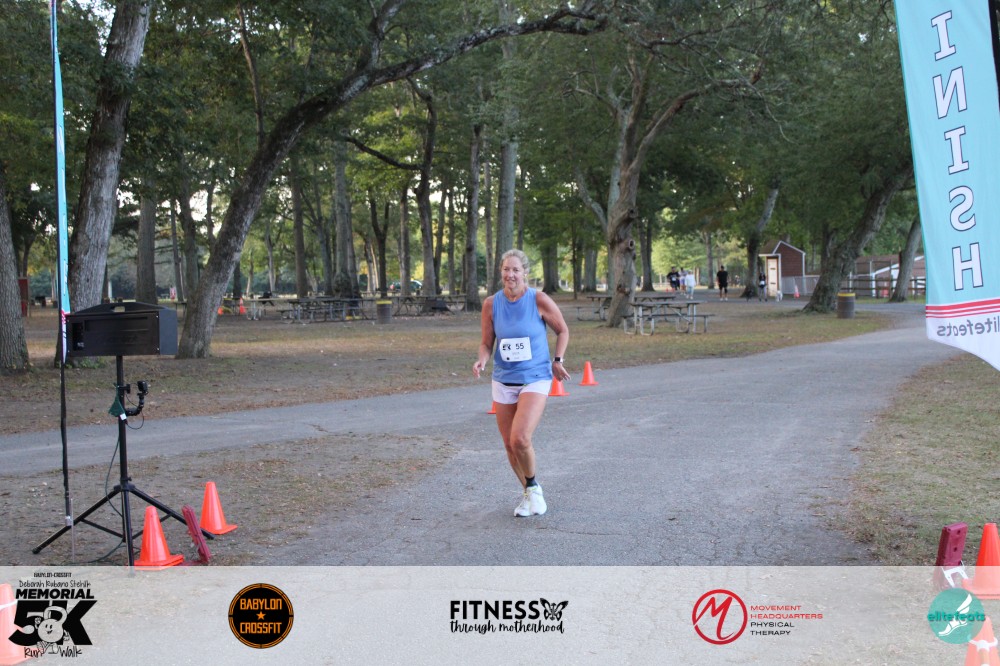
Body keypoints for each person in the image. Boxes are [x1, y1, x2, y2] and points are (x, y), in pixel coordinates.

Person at [473, 249, 570, 517]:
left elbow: (562, 330)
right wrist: (482, 360)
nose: (510, 275)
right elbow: (486, 343)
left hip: (534, 378)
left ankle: (533, 489)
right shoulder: (491, 304)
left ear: (525, 272)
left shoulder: (538, 299)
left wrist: (557, 360)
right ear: (501, 272)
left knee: (520, 438)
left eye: (516, 270)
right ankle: (530, 492)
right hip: (504, 379)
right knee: (509, 444)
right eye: (506, 269)